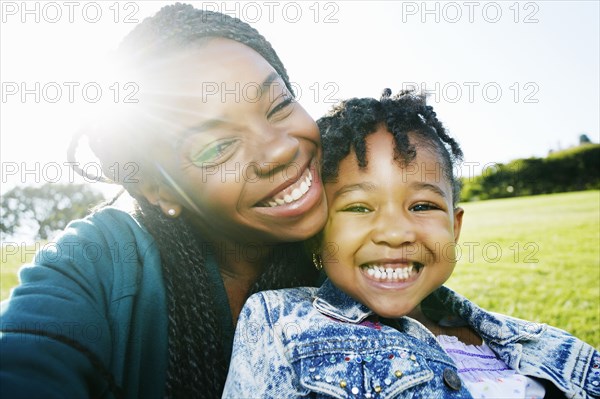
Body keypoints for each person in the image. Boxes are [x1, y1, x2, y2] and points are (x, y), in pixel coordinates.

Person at [0, 4, 328, 398]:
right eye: (218, 147)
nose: (278, 150)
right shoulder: (99, 261)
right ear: (161, 190)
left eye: (278, 105)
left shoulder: (375, 212)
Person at [222, 89, 600, 399]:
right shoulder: (280, 322)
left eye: (422, 205)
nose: (396, 231)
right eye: (358, 206)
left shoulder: (544, 344)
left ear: (454, 227)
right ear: (318, 235)